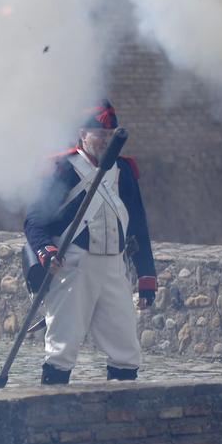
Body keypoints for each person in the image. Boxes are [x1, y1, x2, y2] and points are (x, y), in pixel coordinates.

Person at [24, 99, 157, 385]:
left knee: (125, 349)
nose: (106, 140)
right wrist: (46, 251)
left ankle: (122, 412)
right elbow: (34, 220)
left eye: (111, 135)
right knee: (62, 346)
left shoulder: (124, 171)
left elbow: (138, 225)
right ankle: (54, 412)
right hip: (73, 266)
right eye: (101, 134)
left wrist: (146, 274)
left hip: (114, 267)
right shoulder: (63, 169)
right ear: (83, 135)